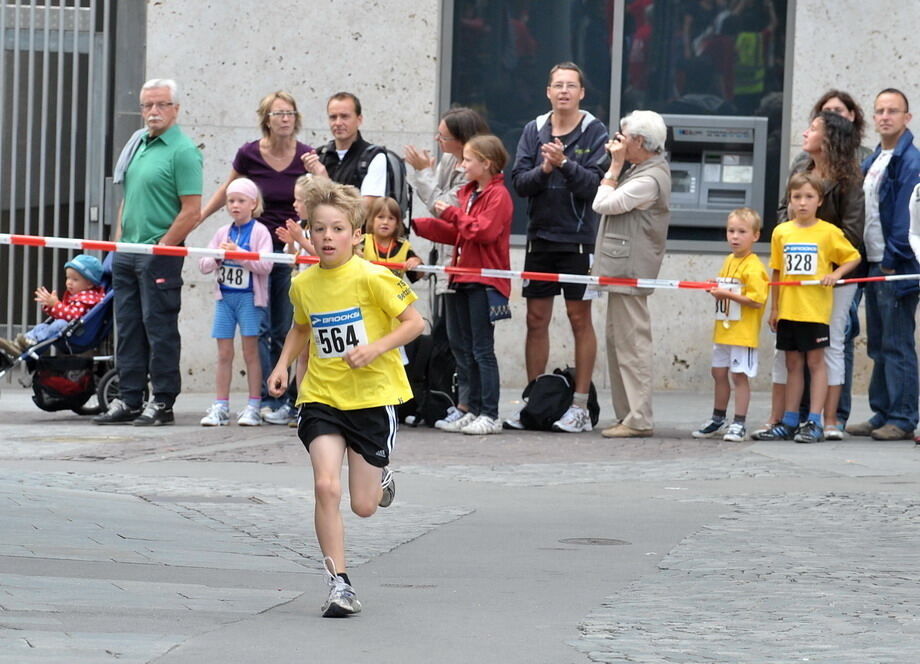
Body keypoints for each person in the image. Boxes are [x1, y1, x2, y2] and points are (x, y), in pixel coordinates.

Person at [266, 177, 424, 617]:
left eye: (337, 229)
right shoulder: (304, 283)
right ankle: (339, 584)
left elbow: (415, 324)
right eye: (319, 229)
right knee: (325, 485)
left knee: (364, 506)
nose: (327, 237)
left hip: (372, 399)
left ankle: (382, 476)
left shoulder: (374, 276)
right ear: (310, 233)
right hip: (321, 398)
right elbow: (301, 328)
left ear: (357, 236)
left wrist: (374, 348)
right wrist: (282, 367)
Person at [200, 91, 312, 426]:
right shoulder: (249, 153)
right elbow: (230, 189)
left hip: (289, 249)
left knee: (284, 327)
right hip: (254, 244)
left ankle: (284, 398)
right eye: (278, 113)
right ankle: (264, 398)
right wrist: (202, 216)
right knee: (259, 330)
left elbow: (320, 193)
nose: (285, 118)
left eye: (290, 112)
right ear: (266, 118)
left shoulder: (306, 155)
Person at [94, 78, 202, 426]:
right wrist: (117, 241)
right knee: (126, 328)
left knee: (159, 329)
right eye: (147, 105)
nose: (153, 111)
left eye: (161, 105)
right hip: (127, 252)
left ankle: (163, 401)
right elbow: (128, 199)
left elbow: (192, 210)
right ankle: (129, 399)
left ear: (176, 109)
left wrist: (163, 247)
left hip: (160, 253)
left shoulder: (183, 151)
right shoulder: (138, 143)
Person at [509, 62, 608, 433]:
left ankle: (579, 404)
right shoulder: (534, 130)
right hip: (540, 237)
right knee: (536, 320)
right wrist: (545, 170)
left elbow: (594, 187)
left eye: (571, 86)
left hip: (578, 240)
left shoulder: (595, 131)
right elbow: (520, 182)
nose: (564, 91)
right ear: (548, 92)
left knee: (579, 318)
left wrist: (564, 163)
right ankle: (535, 403)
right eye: (557, 85)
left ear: (582, 92)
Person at [756, 111, 865, 440]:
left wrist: (834, 274)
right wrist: (775, 308)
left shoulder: (831, 223)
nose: (801, 203)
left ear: (818, 200)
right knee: (790, 362)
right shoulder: (783, 230)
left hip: (817, 305)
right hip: (789, 307)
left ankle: (820, 419)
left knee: (821, 359)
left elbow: (853, 251)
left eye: (808, 197)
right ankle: (788, 419)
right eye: (796, 197)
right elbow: (776, 269)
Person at [413, 135, 513, 435]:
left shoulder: (498, 196)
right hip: (461, 276)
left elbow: (482, 232)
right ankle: (470, 407)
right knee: (462, 349)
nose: (462, 164)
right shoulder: (469, 193)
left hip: (484, 280)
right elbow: (459, 234)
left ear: (487, 163)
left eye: (468, 160)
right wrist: (419, 226)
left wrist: (451, 214)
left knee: (482, 349)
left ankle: (490, 412)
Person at [404, 107, 490, 429]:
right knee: (450, 338)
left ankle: (474, 405)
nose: (438, 140)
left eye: (444, 136)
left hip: (467, 264)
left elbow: (446, 208)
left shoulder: (472, 168)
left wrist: (423, 173)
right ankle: (455, 402)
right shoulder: (447, 161)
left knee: (468, 343)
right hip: (445, 259)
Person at [591, 110, 671, 438]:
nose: (618, 142)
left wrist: (613, 167)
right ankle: (628, 415)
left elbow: (603, 204)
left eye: (624, 137)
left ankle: (639, 418)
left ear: (639, 140)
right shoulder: (641, 169)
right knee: (618, 343)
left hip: (631, 269)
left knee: (632, 345)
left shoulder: (648, 178)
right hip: (621, 268)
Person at [846, 88, 920, 441]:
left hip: (895, 266)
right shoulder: (876, 158)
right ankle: (882, 411)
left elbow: (906, 218)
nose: (885, 116)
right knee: (877, 342)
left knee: (897, 341)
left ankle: (903, 417)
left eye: (893, 111)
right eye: (879, 111)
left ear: (907, 118)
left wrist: (890, 261)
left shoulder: (910, 161)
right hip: (874, 264)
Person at [198, 178, 274, 427]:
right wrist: (219, 256)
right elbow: (203, 264)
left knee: (251, 352)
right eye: (231, 201)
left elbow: (266, 265)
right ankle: (221, 405)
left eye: (241, 201)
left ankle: (254, 404)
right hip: (225, 300)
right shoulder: (222, 232)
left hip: (250, 299)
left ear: (253, 203)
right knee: (224, 354)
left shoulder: (260, 232)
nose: (235, 206)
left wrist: (239, 256)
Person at [692, 208, 768, 442]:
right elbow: (726, 286)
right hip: (724, 329)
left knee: (739, 376)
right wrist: (716, 285)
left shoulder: (754, 266)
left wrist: (726, 293)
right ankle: (718, 417)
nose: (735, 237)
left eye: (742, 232)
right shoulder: (729, 260)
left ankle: (739, 422)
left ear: (755, 236)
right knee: (718, 373)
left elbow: (756, 300)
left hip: (742, 333)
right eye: (731, 231)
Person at [0, 254, 105, 357]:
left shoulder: (88, 299)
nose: (69, 283)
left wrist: (56, 304)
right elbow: (63, 313)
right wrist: (50, 305)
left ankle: (31, 343)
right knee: (42, 326)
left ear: (89, 284)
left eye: (75, 279)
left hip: (78, 336)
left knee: (59, 324)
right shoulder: (78, 296)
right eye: (68, 278)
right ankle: (18, 345)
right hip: (69, 331)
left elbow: (72, 316)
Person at [304, 92, 387, 205]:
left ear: (359, 119)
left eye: (344, 116)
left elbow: (367, 208)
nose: (338, 123)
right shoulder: (320, 155)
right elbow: (306, 206)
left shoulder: (374, 156)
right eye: (333, 117)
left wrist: (325, 181)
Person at [361, 196, 422, 280]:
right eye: (380, 217)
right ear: (371, 220)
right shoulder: (361, 242)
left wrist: (417, 263)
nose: (385, 222)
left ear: (397, 224)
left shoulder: (404, 246)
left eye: (391, 218)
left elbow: (417, 275)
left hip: (393, 292)